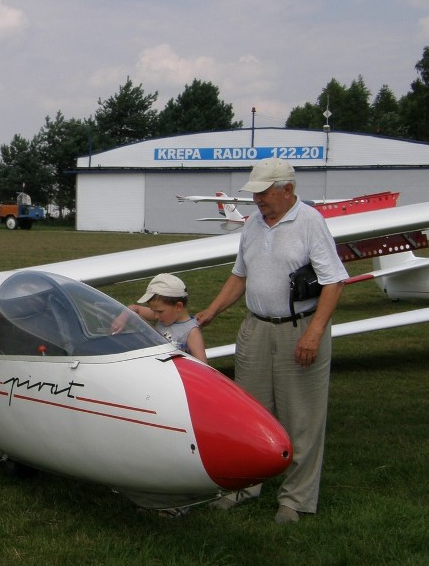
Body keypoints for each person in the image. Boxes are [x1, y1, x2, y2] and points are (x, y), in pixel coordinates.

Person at [195, 157, 347, 524]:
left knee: (302, 417)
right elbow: (239, 275)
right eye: (256, 194)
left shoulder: (310, 222)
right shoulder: (252, 225)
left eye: (264, 193)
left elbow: (334, 281)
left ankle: (295, 500)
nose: (258, 200)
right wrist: (210, 312)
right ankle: (242, 487)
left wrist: (313, 333)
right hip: (256, 328)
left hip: (300, 328)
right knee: (247, 414)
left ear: (288, 190)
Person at [114, 273, 207, 363]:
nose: (156, 316)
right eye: (153, 311)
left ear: (178, 306)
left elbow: (203, 366)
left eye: (160, 311)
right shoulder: (164, 316)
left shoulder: (192, 332)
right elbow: (135, 309)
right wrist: (122, 318)